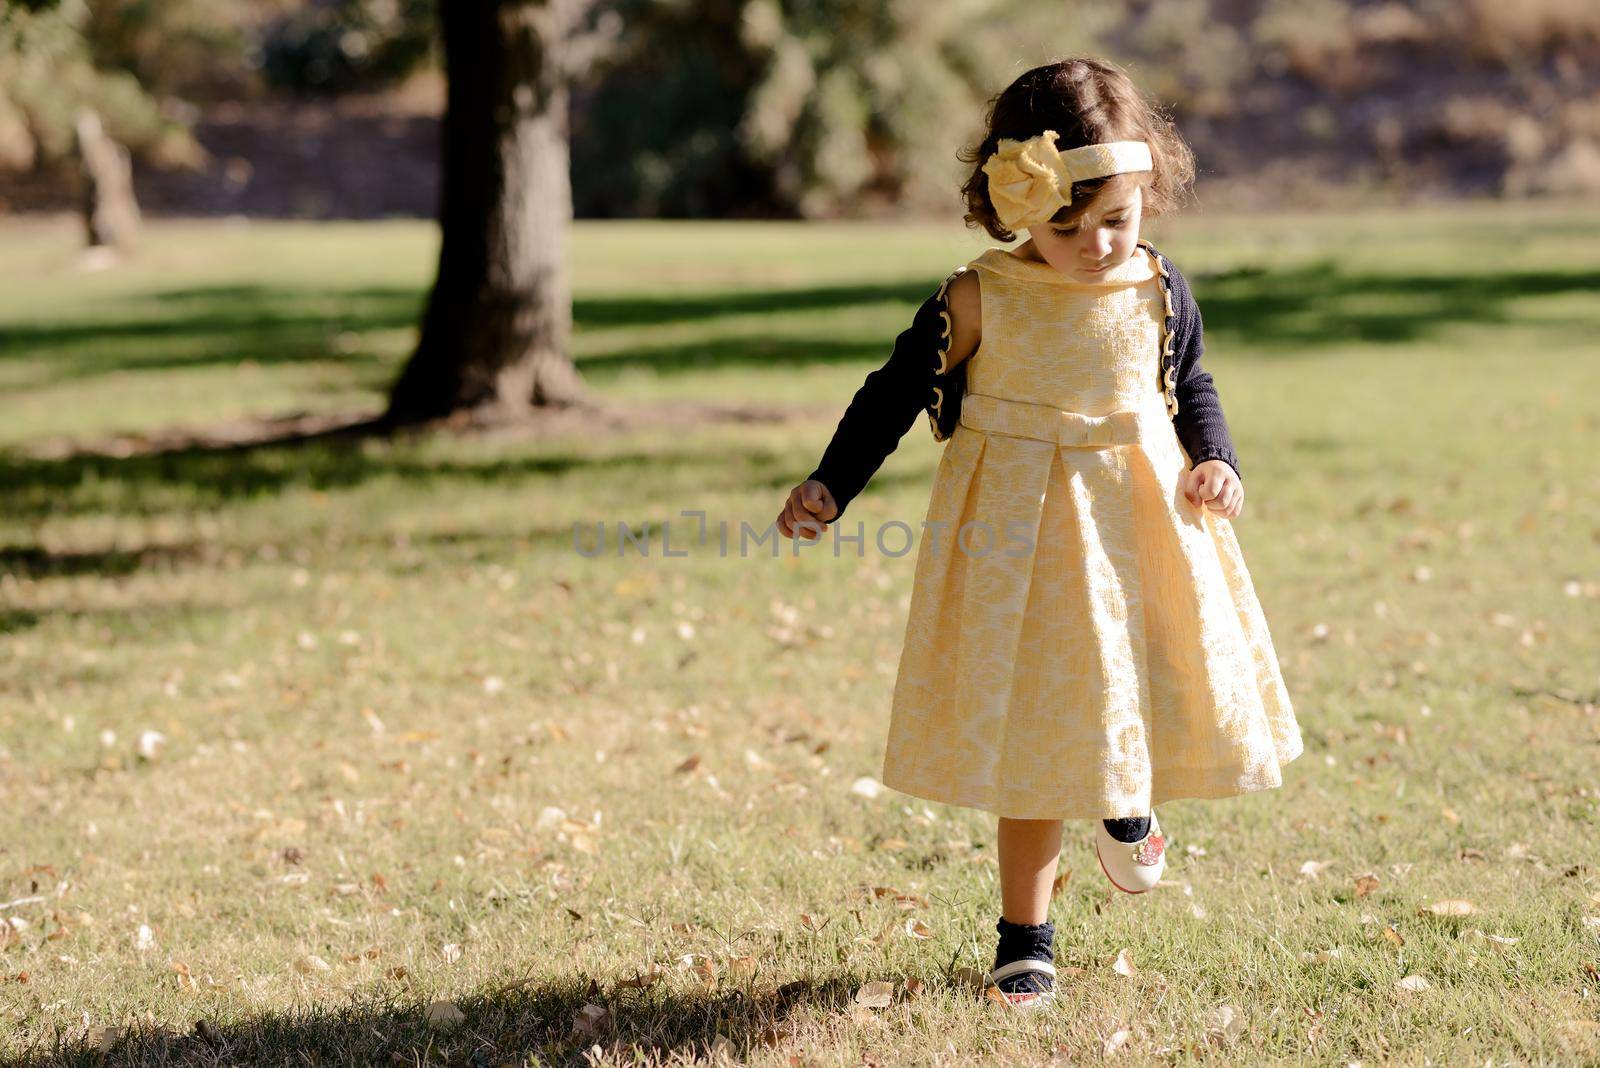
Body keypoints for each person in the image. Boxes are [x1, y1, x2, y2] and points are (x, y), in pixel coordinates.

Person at [775, 57, 1303, 1009]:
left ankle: (1125, 799)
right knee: (1032, 735)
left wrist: (1214, 458)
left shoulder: (1157, 287)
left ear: (1148, 197)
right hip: (1021, 541)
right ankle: (1026, 934)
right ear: (1015, 206)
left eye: (1117, 219)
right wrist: (830, 483)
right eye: (1067, 225)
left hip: (1139, 527)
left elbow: (1191, 383)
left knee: (1136, 677)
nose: (1097, 244)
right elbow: (893, 393)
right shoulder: (980, 298)